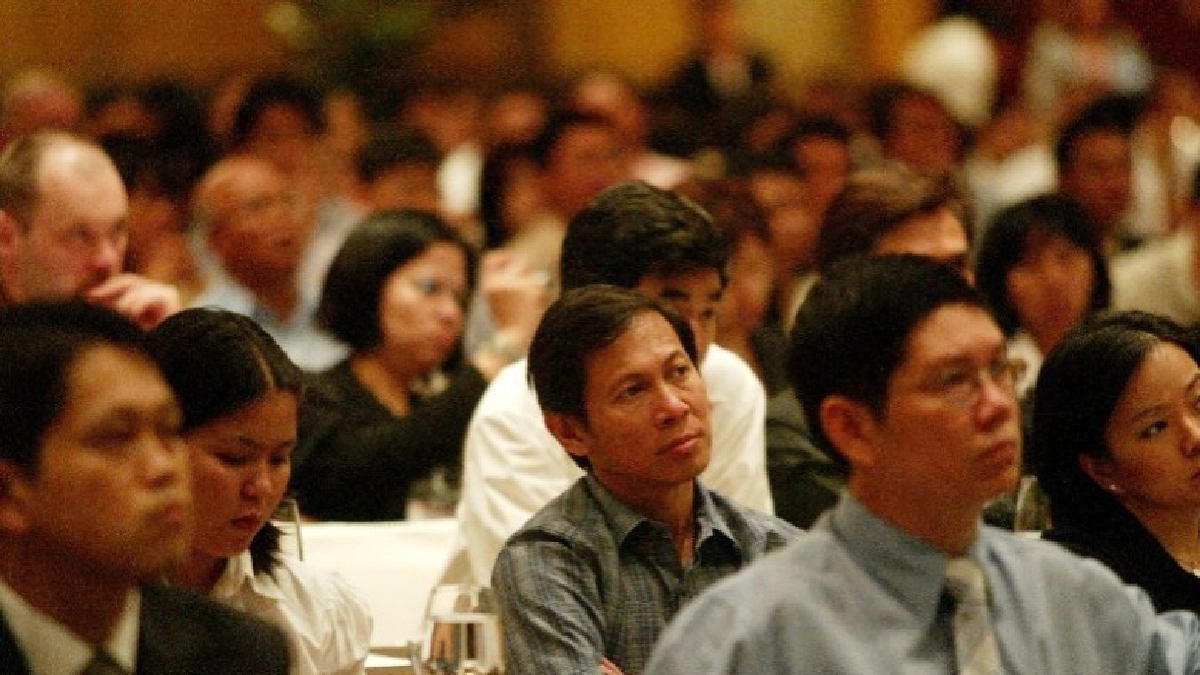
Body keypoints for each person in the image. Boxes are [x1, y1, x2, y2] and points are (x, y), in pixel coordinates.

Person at [647, 255, 1200, 673]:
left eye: (1000, 370)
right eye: (954, 381)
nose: (997, 405)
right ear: (853, 427)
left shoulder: (1073, 596)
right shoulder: (743, 640)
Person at [446, 180, 773, 586]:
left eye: (708, 311)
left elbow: (746, 569)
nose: (697, 343)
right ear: (591, 306)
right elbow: (537, 600)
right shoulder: (515, 410)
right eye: (672, 310)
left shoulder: (727, 382)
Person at [494, 286, 798, 674]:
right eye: (633, 390)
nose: (674, 406)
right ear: (570, 431)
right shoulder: (546, 562)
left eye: (679, 372)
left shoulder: (778, 551)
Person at [0, 300, 290, 674]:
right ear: (9, 493)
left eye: (168, 431)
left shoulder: (240, 654)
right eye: (117, 437)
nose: (164, 468)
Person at [147, 307, 372, 674]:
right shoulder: (95, 608)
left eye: (280, 458)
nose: (262, 487)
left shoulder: (320, 608)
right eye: (235, 458)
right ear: (159, 446)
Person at [295, 209, 546, 521]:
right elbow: (367, 468)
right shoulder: (315, 398)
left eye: (460, 298)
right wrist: (507, 343)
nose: (451, 313)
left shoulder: (456, 393)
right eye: (430, 288)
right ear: (368, 284)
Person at [768, 164, 973, 528]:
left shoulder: (989, 398)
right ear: (850, 286)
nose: (951, 288)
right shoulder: (794, 435)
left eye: (957, 266)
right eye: (919, 269)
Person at [1034, 310, 1200, 613]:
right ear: (1101, 468)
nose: (1195, 438)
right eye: (1155, 428)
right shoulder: (1087, 586)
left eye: (1198, 402)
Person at [0, 130, 180, 328]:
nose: (107, 260)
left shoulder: (137, 326)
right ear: (6, 237)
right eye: (80, 236)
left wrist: (167, 340)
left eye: (116, 232)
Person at [190, 154, 348, 371]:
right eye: (258, 207)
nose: (281, 216)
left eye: (289, 202)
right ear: (217, 240)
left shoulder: (341, 310)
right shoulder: (204, 332)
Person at [974, 193, 1112, 393]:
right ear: (999, 281)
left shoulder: (1126, 355)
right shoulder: (996, 377)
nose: (1052, 280)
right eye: (1029, 265)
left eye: (1065, 258)